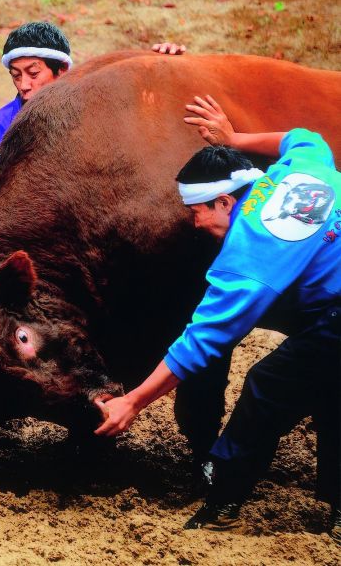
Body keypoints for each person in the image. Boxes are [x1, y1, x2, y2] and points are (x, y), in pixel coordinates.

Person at [95, 96, 340, 543]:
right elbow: (305, 138)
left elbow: (202, 340)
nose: (195, 224)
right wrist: (234, 139)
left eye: (197, 212)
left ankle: (224, 501)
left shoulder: (250, 248)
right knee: (326, 380)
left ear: (225, 201)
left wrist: (133, 403)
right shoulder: (298, 170)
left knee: (269, 384)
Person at [0, 21, 185, 223]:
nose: (24, 85)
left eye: (33, 73)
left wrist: (166, 65)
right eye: (16, 75)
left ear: (62, 71)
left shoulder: (99, 111)